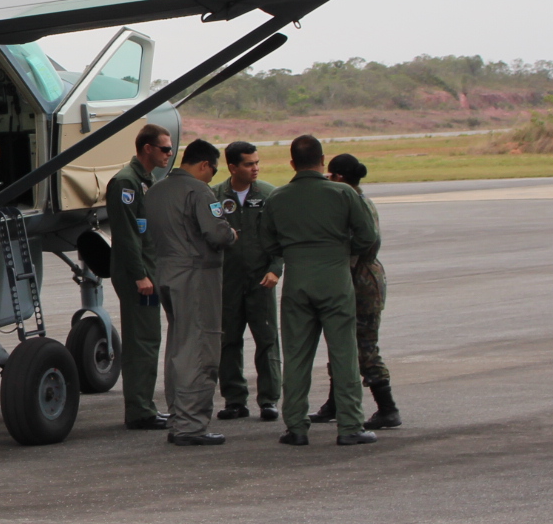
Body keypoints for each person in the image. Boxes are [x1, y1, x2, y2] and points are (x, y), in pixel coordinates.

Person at [256, 135, 381, 446]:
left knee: (296, 356)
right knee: (344, 353)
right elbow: (368, 237)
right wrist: (340, 249)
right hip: (335, 279)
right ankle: (350, 425)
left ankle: (295, 426)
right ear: (322, 161)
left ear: (291, 163)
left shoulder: (278, 197)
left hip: (297, 281)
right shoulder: (342, 194)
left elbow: (267, 242)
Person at [143, 138, 238, 446]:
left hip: (167, 272)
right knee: (200, 349)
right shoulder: (199, 191)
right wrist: (231, 233)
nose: (212, 177)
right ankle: (191, 424)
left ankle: (178, 417)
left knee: (178, 347)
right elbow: (215, 232)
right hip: (196, 275)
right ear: (204, 165)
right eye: (212, 171)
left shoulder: (156, 190)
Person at [314, 153, 401, 429]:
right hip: (355, 275)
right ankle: (336, 402)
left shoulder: (353, 204)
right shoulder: (352, 199)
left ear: (338, 177)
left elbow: (362, 243)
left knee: (364, 344)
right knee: (340, 340)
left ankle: (387, 407)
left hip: (360, 279)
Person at [107, 124, 175, 430]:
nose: (169, 154)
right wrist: (140, 276)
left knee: (148, 339)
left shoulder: (145, 181)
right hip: (139, 277)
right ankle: (139, 410)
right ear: (147, 148)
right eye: (165, 149)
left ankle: (144, 405)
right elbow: (126, 235)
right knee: (142, 341)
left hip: (147, 271)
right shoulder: (126, 182)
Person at [215, 141, 282, 422]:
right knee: (228, 341)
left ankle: (268, 399)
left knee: (267, 340)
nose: (255, 168)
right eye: (248, 164)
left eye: (256, 163)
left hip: (260, 280)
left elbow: (281, 237)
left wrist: (276, 268)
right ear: (232, 167)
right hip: (227, 281)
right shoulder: (214, 195)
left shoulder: (269, 195)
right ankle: (234, 399)